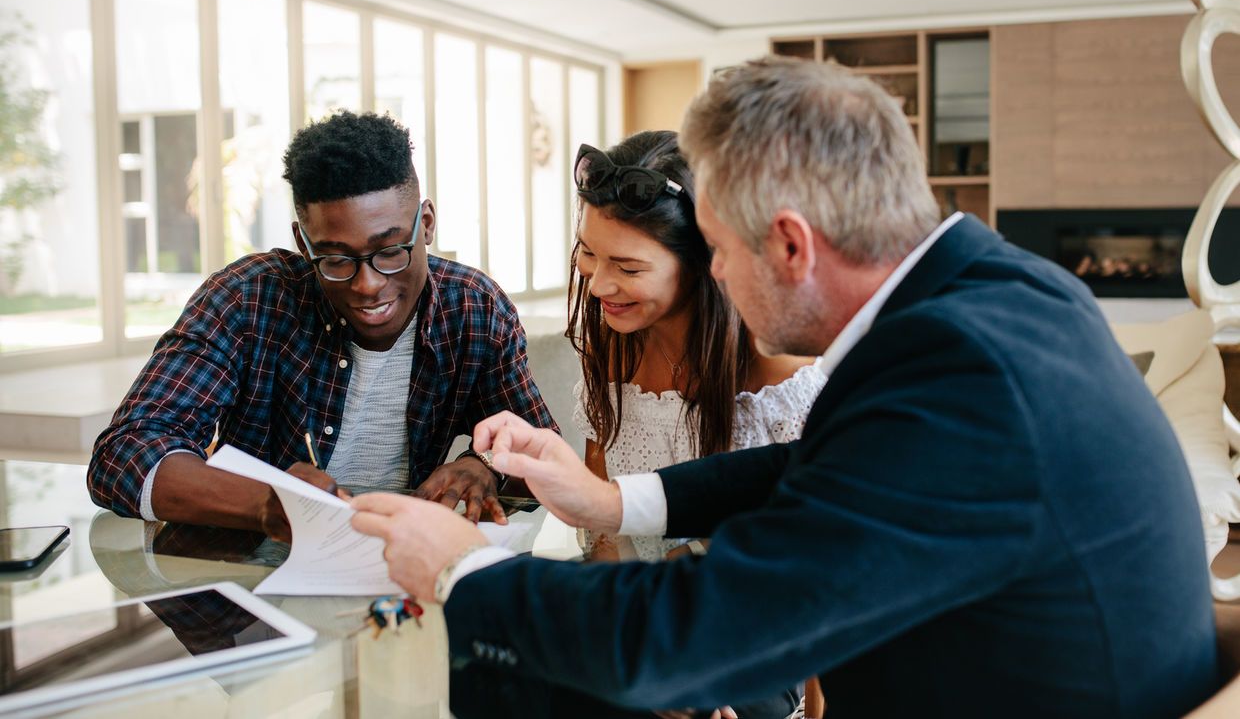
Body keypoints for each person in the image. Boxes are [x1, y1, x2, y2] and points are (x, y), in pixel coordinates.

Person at [351, 59, 1217, 718]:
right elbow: (832, 465)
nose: (717, 275)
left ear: (793, 246)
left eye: (720, 249)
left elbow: (691, 635)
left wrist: (462, 574)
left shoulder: (963, 382)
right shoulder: (998, 291)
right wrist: (615, 504)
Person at [91, 111, 555, 540]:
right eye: (334, 259)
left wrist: (485, 463)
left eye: (391, 250)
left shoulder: (474, 309)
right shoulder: (248, 297)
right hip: (254, 574)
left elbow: (543, 452)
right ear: (303, 242)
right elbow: (123, 454)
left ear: (426, 225)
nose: (369, 285)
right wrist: (265, 505)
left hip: (401, 566)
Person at [568, 130, 824, 565]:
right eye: (589, 252)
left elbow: (808, 536)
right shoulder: (616, 347)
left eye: (628, 267)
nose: (598, 286)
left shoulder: (776, 370)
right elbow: (604, 532)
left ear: (704, 265)